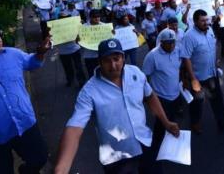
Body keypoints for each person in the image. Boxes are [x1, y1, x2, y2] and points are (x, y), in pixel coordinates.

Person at [54, 38, 179, 174]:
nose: (113, 65)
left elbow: (149, 96)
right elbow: (74, 128)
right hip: (117, 158)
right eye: (107, 60)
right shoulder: (89, 91)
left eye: (116, 58)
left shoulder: (135, 73)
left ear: (123, 58)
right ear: (99, 62)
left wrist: (165, 122)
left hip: (146, 143)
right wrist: (61, 168)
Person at [0, 34, 51, 174]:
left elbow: (32, 62)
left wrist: (40, 53)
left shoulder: (13, 54)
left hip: (24, 122)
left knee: (40, 158)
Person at [180, 9, 224, 135]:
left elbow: (214, 46)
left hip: (212, 73)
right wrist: (193, 79)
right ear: (195, 21)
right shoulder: (189, 36)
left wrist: (215, 60)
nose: (206, 23)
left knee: (218, 101)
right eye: (202, 21)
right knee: (197, 103)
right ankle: (195, 123)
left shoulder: (210, 30)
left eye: (207, 20)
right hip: (198, 77)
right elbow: (186, 57)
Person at [142, 29, 182, 173]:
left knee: (171, 119)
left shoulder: (177, 51)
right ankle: (156, 153)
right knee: (160, 126)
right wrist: (147, 97)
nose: (171, 45)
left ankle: (169, 145)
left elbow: (179, 68)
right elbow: (144, 77)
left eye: (173, 42)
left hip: (176, 95)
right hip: (161, 98)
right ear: (161, 42)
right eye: (168, 43)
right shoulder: (152, 56)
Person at [55, 3, 86, 88]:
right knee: (68, 68)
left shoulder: (73, 26)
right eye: (62, 18)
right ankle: (70, 80)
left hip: (74, 49)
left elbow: (80, 37)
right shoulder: (56, 28)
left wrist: (80, 25)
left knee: (78, 66)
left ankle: (81, 81)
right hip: (63, 52)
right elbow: (54, 40)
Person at [81, 10, 102, 78]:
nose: (97, 18)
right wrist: (78, 40)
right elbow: (79, 43)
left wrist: (112, 34)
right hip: (88, 55)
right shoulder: (83, 27)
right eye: (94, 17)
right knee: (91, 73)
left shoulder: (104, 26)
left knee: (102, 72)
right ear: (90, 17)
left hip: (100, 55)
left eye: (98, 16)